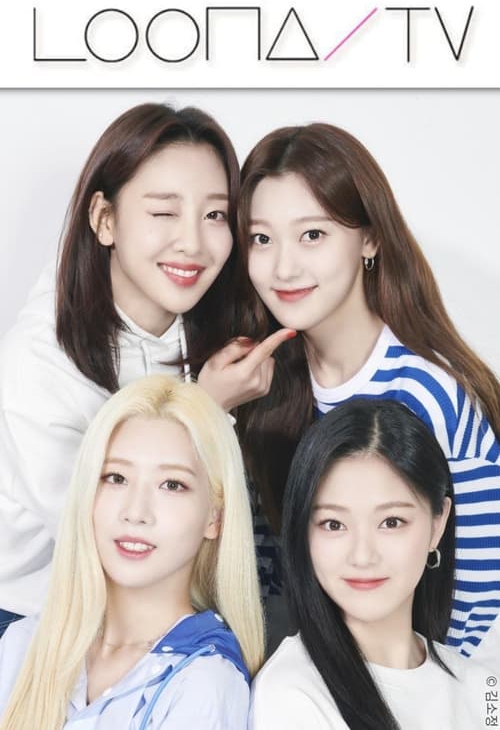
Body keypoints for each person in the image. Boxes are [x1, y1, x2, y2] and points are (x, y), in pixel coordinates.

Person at [0, 102, 292, 632]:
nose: (193, 243)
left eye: (215, 215)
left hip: (151, 601)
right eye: (164, 213)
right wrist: (207, 409)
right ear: (104, 219)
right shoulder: (39, 362)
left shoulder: (208, 322)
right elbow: (112, 540)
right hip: (33, 614)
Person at [235, 122, 500, 658]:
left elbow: (475, 609)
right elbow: (258, 581)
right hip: (292, 672)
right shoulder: (258, 382)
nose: (283, 266)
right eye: (262, 238)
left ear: (370, 239)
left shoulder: (431, 394)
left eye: (313, 235)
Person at [0, 374, 264, 729]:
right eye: (116, 478)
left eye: (172, 485)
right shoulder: (22, 644)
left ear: (214, 517)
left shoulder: (205, 681)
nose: (136, 512)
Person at [250, 399, 496, 730]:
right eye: (334, 524)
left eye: (391, 522)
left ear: (437, 525)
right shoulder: (291, 693)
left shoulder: (483, 688)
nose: (362, 556)